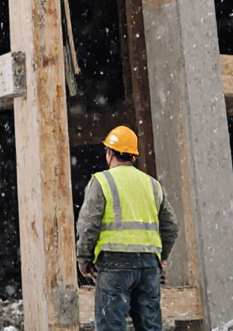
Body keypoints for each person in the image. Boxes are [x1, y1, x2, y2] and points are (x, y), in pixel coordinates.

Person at [75, 126, 179, 331]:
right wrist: (160, 256)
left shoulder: (102, 182)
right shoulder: (152, 184)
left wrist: (84, 259)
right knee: (150, 326)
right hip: (148, 264)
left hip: (114, 265)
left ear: (109, 153)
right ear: (133, 156)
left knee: (111, 326)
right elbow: (171, 227)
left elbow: (88, 225)